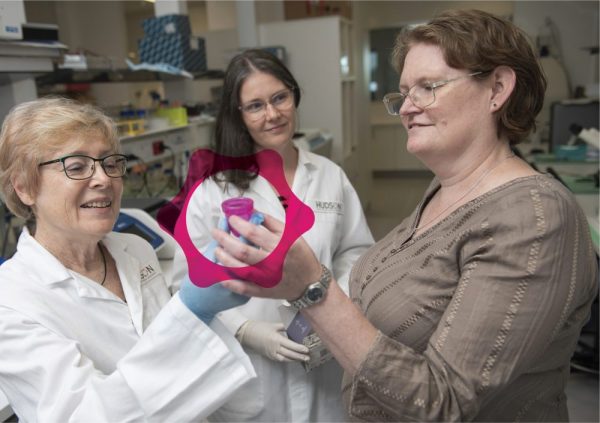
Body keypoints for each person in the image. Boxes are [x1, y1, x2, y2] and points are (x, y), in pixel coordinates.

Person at [210, 10, 598, 422]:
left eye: (428, 87)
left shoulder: (533, 217)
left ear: (497, 88)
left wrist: (312, 290)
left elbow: (443, 402)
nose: (408, 108)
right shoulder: (445, 190)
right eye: (404, 93)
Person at [0, 97, 255, 422]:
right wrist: (191, 311)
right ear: (24, 188)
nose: (104, 179)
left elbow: (177, 364)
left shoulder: (135, 249)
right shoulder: (11, 304)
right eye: (77, 166)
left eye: (110, 163)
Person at [172, 49, 374, 422]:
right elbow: (185, 281)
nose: (272, 114)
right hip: (249, 373)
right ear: (238, 116)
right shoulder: (213, 189)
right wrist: (246, 330)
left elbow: (356, 252)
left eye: (280, 97)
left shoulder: (330, 175)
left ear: (294, 95)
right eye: (255, 105)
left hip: (325, 356)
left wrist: (333, 305)